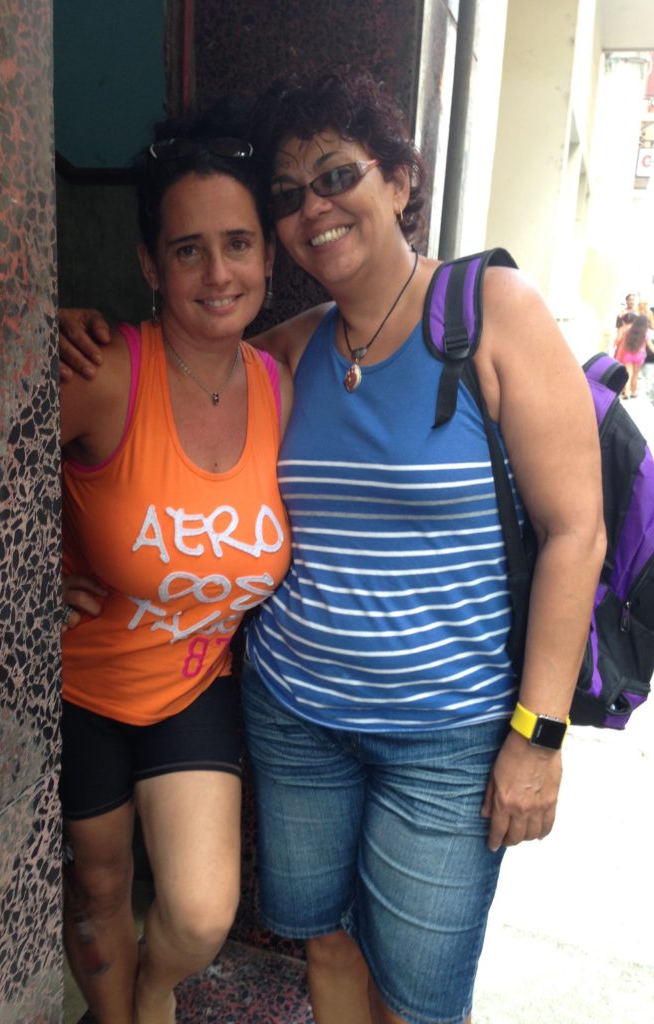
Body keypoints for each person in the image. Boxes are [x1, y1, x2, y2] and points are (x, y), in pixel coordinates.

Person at [60, 71, 605, 1024]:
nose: (311, 207)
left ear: (400, 180)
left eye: (336, 174)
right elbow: (169, 379)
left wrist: (539, 734)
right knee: (327, 944)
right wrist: (58, 342)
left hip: (447, 733)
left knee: (419, 994)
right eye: (287, 194)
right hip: (296, 716)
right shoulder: (297, 347)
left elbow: (576, 532)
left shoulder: (492, 312)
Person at [59, 106, 292, 1024]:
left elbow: (387, 323)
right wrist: (16, 576)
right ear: (151, 266)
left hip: (195, 685)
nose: (218, 271)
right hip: (81, 690)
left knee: (198, 916)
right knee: (99, 902)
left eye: (238, 243)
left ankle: (149, 996)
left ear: (269, 260)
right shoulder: (103, 370)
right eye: (187, 249)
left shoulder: (285, 374)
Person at [616, 313, 654, 398]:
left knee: (628, 374)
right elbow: (650, 345)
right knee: (635, 374)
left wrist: (618, 355)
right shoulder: (644, 333)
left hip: (628, 355)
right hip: (639, 356)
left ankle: (626, 393)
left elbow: (623, 344)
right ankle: (633, 392)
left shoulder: (628, 332)